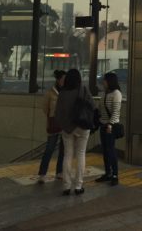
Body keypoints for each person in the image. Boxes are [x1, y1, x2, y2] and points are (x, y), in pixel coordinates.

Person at [55, 68, 95, 196]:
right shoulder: (83, 89)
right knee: (81, 154)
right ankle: (78, 186)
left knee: (67, 155)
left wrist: (64, 125)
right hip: (82, 126)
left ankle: (66, 186)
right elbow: (92, 106)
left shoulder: (62, 93)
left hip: (67, 128)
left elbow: (57, 113)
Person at [37, 70, 65, 184]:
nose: (65, 81)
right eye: (63, 79)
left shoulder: (67, 91)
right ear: (58, 80)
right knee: (49, 149)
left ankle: (59, 172)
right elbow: (45, 108)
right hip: (54, 124)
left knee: (63, 150)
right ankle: (42, 174)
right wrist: (52, 117)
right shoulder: (50, 92)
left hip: (64, 124)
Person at [96, 72, 122, 186]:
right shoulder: (105, 93)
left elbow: (116, 111)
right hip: (103, 125)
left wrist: (110, 125)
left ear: (110, 81)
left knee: (111, 151)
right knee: (105, 151)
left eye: (105, 80)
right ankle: (108, 173)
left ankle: (115, 175)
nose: (103, 82)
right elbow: (100, 109)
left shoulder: (116, 94)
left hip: (110, 127)